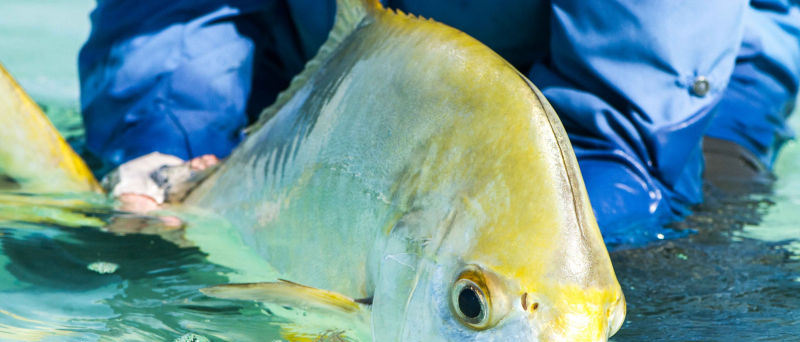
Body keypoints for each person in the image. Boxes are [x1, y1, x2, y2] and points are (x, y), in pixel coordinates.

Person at [78, 1, 800, 245]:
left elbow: (628, 124)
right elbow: (177, 14)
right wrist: (166, 147)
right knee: (124, 257)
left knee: (683, 307)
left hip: (675, 89)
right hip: (314, 48)